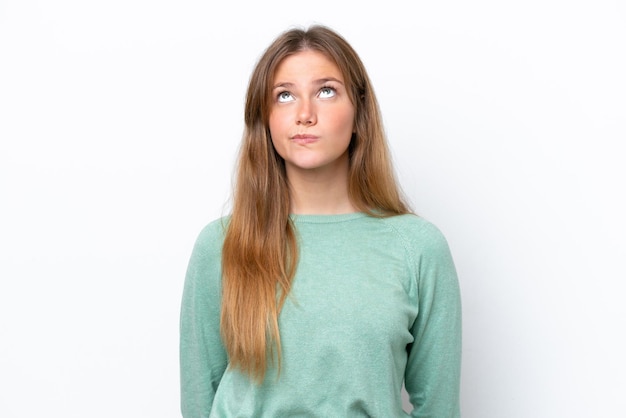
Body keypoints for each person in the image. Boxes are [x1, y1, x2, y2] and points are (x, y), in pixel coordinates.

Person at [180, 24, 462, 418]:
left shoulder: (417, 248)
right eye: (284, 95)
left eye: (326, 91)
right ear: (265, 119)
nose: (304, 115)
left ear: (359, 112)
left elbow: (438, 407)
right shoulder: (221, 245)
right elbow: (198, 401)